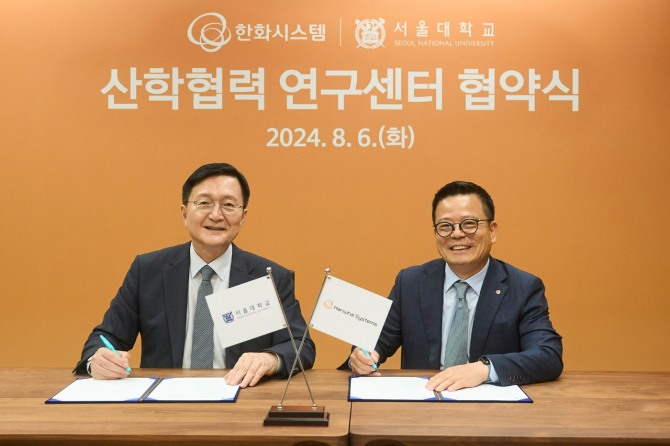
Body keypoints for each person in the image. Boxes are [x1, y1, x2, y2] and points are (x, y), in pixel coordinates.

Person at [74, 163, 315, 387]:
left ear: (243, 216)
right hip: (164, 401)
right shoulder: (147, 270)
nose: (216, 215)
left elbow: (301, 346)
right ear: (184, 213)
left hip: (241, 397)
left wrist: (271, 359)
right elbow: (105, 337)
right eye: (204, 203)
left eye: (229, 205)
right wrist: (97, 360)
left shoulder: (268, 277)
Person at [345, 181, 562, 392]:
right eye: (445, 226)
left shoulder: (523, 287)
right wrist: (363, 355)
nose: (457, 234)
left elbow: (548, 355)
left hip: (491, 407)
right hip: (423, 400)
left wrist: (484, 369)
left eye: (469, 223)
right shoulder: (410, 282)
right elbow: (375, 340)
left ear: (492, 231)